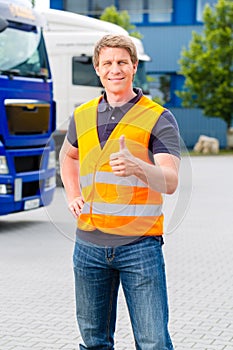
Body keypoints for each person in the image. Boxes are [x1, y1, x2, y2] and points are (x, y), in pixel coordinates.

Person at [59, 34, 180, 350]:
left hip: (139, 247)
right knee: (94, 342)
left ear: (134, 66)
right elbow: (67, 156)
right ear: (98, 69)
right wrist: (72, 193)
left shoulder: (159, 117)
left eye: (122, 62)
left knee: (153, 343)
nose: (115, 69)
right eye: (108, 63)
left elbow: (170, 181)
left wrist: (138, 166)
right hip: (88, 246)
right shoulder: (82, 115)